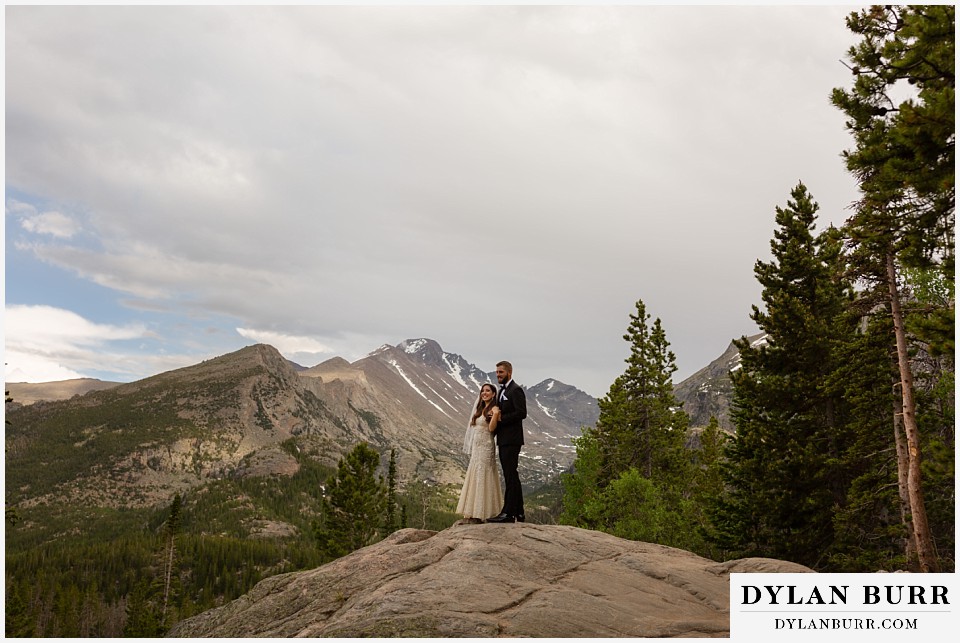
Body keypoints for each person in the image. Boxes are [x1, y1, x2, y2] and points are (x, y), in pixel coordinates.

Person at [455, 383, 503, 523]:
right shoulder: (479, 408)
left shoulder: (494, 409)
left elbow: (492, 428)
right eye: (483, 391)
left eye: (488, 391)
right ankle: (472, 509)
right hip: (477, 446)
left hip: (486, 446)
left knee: (484, 473)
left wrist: (495, 415)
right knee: (475, 472)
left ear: (494, 394)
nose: (484, 393)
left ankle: (484, 511)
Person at [487, 360, 526, 523]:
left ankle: (508, 513)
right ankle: (519, 512)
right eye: (496, 372)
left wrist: (502, 418)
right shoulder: (503, 391)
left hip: (512, 439)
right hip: (504, 439)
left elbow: (521, 413)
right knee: (511, 475)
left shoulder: (515, 390)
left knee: (510, 475)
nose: (498, 375)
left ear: (509, 372)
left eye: (501, 372)